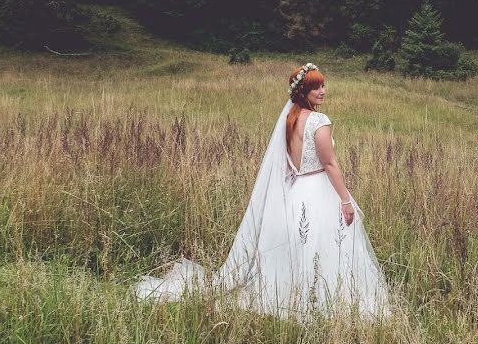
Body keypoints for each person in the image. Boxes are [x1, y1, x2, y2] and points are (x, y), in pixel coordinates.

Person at [135, 63, 391, 318]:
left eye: (323, 86)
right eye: (316, 88)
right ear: (303, 92)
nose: (322, 91)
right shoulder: (318, 121)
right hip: (318, 189)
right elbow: (329, 163)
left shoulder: (289, 120)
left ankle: (294, 296)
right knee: (327, 245)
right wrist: (345, 199)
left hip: (295, 192)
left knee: (302, 247)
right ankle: (327, 301)